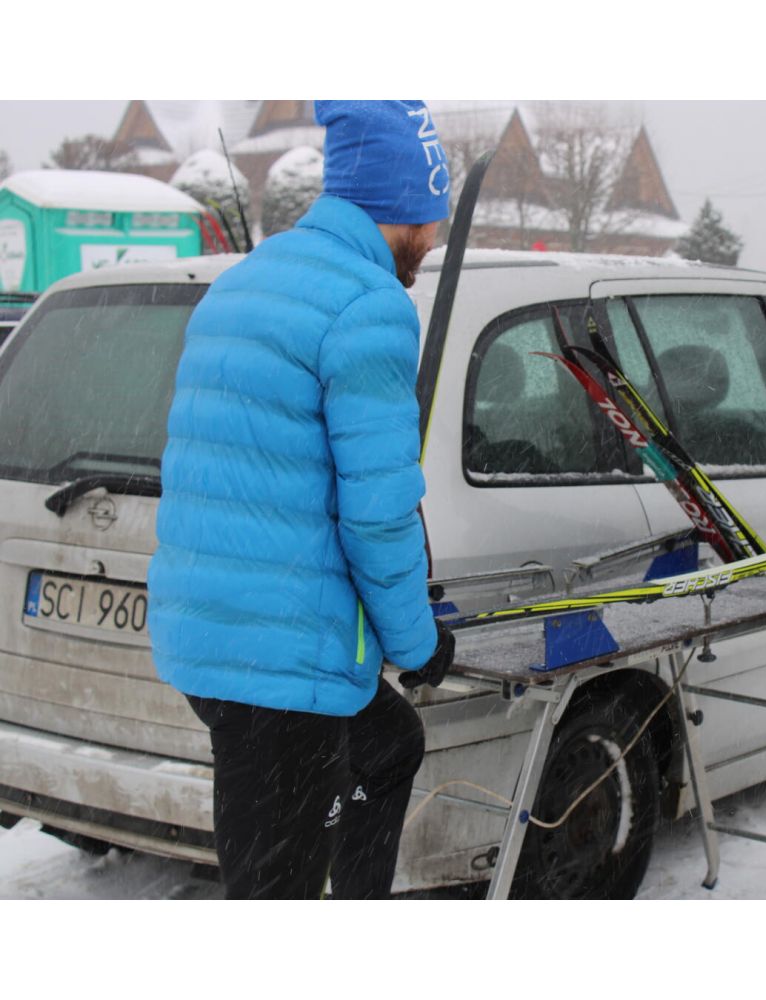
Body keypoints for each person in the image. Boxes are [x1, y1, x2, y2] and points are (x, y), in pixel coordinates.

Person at [148, 100, 456, 899]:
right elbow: (378, 515)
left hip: (213, 636)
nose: (434, 238)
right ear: (402, 205)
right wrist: (418, 644)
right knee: (271, 892)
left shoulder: (243, 282)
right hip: (279, 662)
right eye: (432, 217)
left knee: (389, 747)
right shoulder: (369, 305)